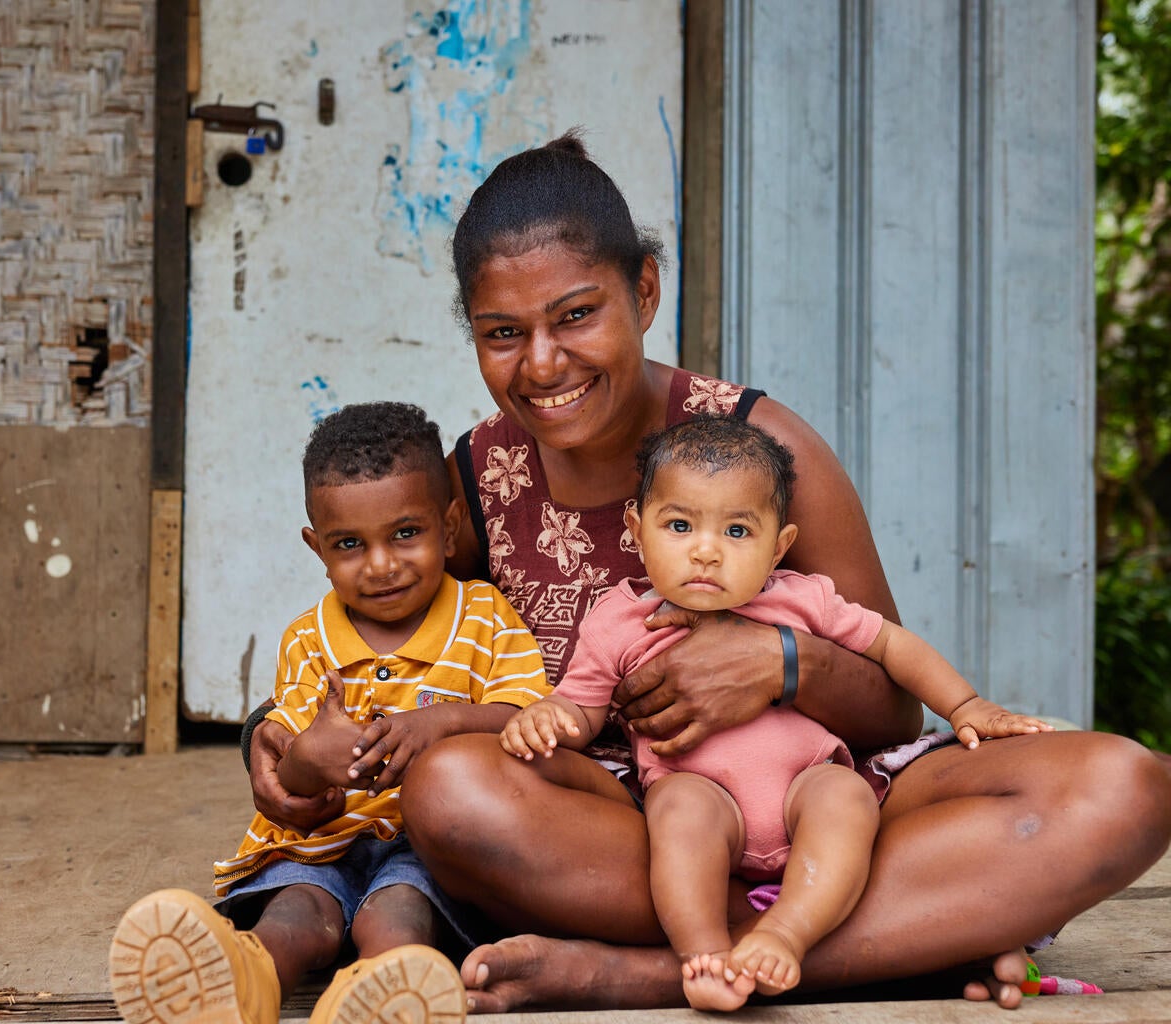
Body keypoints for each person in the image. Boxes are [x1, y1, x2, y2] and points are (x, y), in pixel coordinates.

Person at [245, 131, 1171, 1012]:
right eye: (502, 333)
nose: (542, 363)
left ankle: (643, 975)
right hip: (629, 826)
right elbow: (374, 616)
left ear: (643, 292)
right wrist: (273, 734)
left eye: (576, 316)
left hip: (828, 799)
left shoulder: (761, 447)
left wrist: (781, 661)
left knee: (1126, 788)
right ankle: (915, 937)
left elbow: (897, 710)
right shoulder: (477, 479)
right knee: (450, 790)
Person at [500, 415, 1054, 1010]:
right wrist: (548, 716)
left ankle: (786, 934)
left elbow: (892, 646)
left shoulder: (800, 597)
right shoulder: (619, 620)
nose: (707, 552)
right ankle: (703, 955)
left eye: (738, 531)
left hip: (803, 785)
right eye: (680, 525)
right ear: (637, 530)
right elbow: (582, 710)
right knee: (679, 812)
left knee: (844, 797)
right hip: (702, 793)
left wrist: (965, 704)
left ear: (778, 545)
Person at [109, 402, 551, 1024]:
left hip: (423, 842)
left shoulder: (483, 618)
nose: (381, 565)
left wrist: (442, 723)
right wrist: (308, 761)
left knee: (396, 911)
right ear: (317, 548)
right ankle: (244, 978)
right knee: (299, 914)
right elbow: (283, 782)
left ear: (450, 528)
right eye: (349, 544)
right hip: (321, 841)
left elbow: (528, 716)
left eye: (406, 533)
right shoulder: (308, 640)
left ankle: (387, 991)